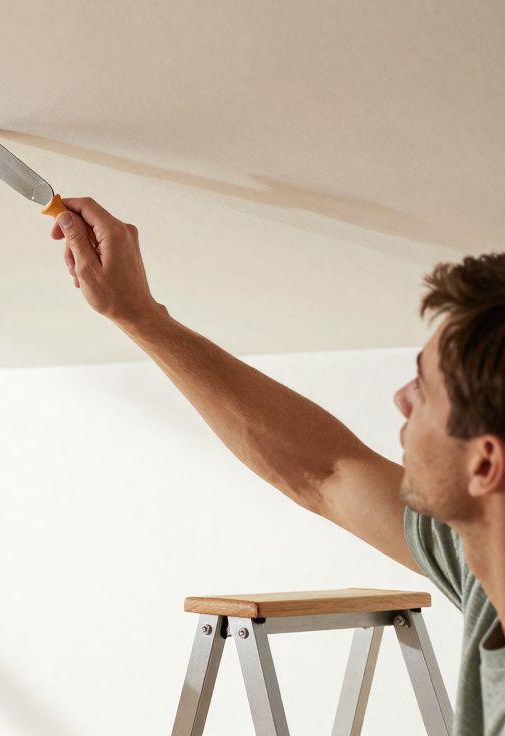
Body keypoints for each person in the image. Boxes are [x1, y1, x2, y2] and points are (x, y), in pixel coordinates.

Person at [49, 198, 504, 734]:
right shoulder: (484, 559)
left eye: (423, 390)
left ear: (485, 463)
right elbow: (324, 471)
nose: (401, 400)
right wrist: (139, 314)